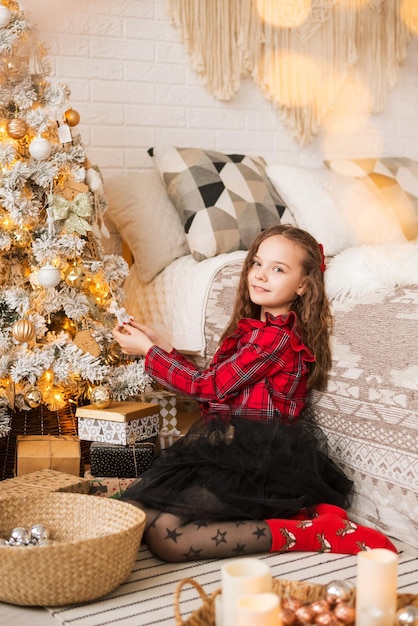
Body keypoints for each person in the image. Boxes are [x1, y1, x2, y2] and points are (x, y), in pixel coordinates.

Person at [112, 224, 396, 562]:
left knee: (166, 539)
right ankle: (298, 518)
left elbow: (207, 386)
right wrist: (163, 348)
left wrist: (148, 353)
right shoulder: (250, 333)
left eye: (278, 269)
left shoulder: (275, 338)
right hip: (226, 453)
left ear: (303, 285)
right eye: (257, 264)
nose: (260, 275)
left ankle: (304, 532)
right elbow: (212, 388)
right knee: (133, 512)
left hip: (260, 464)